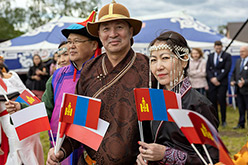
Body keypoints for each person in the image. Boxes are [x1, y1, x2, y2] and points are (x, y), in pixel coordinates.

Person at [46, 1, 151, 164]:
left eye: (119, 27)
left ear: (131, 31)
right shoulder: (89, 69)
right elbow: (79, 122)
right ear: (100, 35)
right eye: (106, 29)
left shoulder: (148, 69)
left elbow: (161, 127)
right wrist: (62, 150)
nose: (113, 34)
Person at [136, 31, 219, 165]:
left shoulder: (199, 104)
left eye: (165, 58)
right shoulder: (153, 100)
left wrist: (166, 154)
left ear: (184, 61)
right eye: (153, 60)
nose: (159, 67)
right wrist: (144, 155)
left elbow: (213, 158)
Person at [0, 68, 44, 165]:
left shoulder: (13, 75)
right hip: (11, 123)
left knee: (31, 146)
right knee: (19, 150)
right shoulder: (11, 77)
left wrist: (37, 111)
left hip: (26, 117)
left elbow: (27, 94)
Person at [206, 40, 232, 127]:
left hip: (222, 82)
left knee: (222, 101)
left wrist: (218, 79)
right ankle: (215, 120)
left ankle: (224, 120)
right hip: (212, 83)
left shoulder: (227, 56)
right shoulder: (210, 56)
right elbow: (208, 69)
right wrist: (212, 79)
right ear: (214, 47)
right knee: (212, 102)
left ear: (221, 47)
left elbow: (227, 69)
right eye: (216, 47)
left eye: (219, 46)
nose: (218, 48)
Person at [230, 45, 248, 129]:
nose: (241, 53)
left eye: (243, 51)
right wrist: (232, 80)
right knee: (241, 107)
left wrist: (245, 82)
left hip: (247, 90)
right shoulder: (238, 61)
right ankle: (241, 124)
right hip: (239, 89)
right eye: (240, 51)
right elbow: (233, 73)